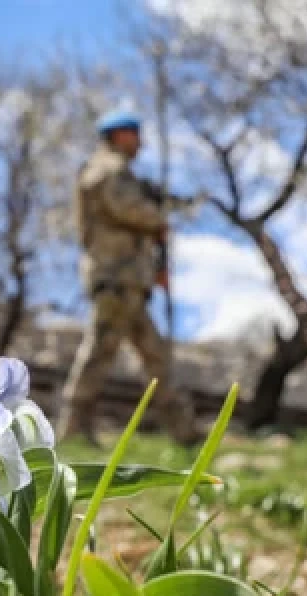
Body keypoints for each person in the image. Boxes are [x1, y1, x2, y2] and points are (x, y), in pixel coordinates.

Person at [56, 108, 201, 447]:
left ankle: (184, 433)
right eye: (134, 133)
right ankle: (73, 429)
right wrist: (157, 218)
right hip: (115, 277)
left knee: (155, 354)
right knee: (101, 350)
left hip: (131, 280)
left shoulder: (120, 172)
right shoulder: (107, 168)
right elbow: (124, 206)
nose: (140, 142)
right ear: (120, 134)